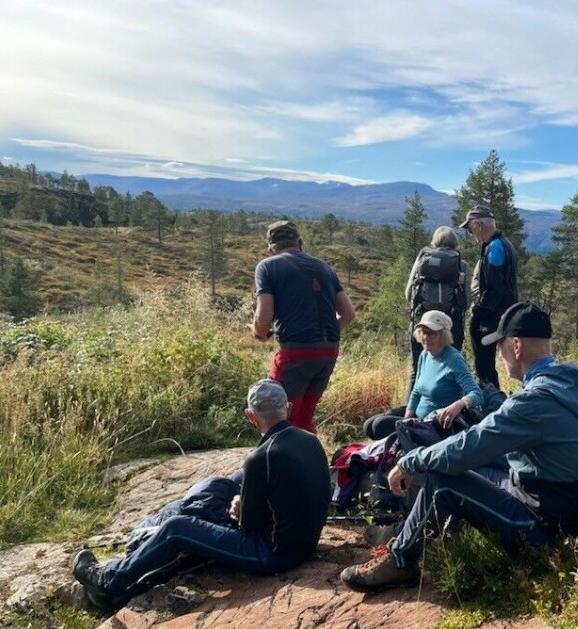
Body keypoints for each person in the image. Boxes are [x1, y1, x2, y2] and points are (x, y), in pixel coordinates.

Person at [340, 302, 578, 592]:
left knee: (441, 478)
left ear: (516, 345)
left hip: (546, 532)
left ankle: (401, 561)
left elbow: (469, 446)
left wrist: (410, 461)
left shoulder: (535, 402)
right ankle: (406, 530)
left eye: (500, 346)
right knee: (463, 464)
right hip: (567, 511)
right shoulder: (574, 383)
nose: (500, 356)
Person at [72, 379, 331, 608]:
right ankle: (167, 534)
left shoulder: (260, 458)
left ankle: (108, 580)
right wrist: (250, 500)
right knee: (232, 481)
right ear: (288, 408)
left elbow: (247, 526)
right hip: (306, 541)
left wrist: (241, 507)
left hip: (273, 554)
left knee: (177, 527)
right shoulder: (310, 439)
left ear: (250, 416)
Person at [248, 221, 356, 433]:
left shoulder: (267, 266)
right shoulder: (325, 267)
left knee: (275, 416)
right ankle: (311, 460)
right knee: (305, 417)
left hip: (295, 353)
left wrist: (258, 332)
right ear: (300, 243)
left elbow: (263, 317)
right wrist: (324, 338)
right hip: (328, 352)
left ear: (271, 248)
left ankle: (279, 462)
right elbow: (348, 313)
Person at [363, 310, 482, 440]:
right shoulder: (425, 354)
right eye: (424, 332)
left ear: (443, 335)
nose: (426, 338)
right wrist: (407, 419)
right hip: (417, 416)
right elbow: (416, 391)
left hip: (434, 423)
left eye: (432, 334)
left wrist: (458, 405)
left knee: (379, 426)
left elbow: (476, 393)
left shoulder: (454, 359)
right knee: (368, 426)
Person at [404, 226, 470, 395]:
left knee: (416, 370)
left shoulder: (422, 261)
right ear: (456, 243)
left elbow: (408, 293)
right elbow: (467, 300)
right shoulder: (461, 265)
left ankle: (410, 416)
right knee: (451, 369)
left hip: (422, 325)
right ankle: (444, 413)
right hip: (450, 328)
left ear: (434, 242)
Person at [459, 205, 519, 389]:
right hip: (504, 315)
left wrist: (478, 312)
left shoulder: (495, 247)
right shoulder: (505, 244)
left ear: (478, 225)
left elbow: (494, 289)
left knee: (484, 366)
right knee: (494, 365)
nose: (471, 234)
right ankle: (493, 400)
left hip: (491, 318)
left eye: (470, 229)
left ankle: (489, 402)